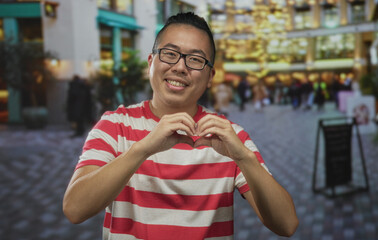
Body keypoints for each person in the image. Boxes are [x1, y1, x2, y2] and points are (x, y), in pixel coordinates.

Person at [63, 12, 298, 240]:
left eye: (195, 59)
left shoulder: (230, 136)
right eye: (169, 54)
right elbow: (75, 209)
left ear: (209, 77)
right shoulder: (115, 125)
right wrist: (143, 149)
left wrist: (244, 158)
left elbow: (286, 225)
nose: (180, 67)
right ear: (150, 62)